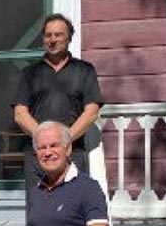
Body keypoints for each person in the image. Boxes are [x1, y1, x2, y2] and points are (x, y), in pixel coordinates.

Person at [11, 13, 103, 196]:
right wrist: (45, 142)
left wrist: (64, 141)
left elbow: (91, 112)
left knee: (73, 210)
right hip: (38, 154)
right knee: (37, 214)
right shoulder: (30, 73)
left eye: (58, 35)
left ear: (69, 38)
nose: (52, 40)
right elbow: (20, 113)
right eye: (48, 35)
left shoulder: (84, 70)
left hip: (72, 152)